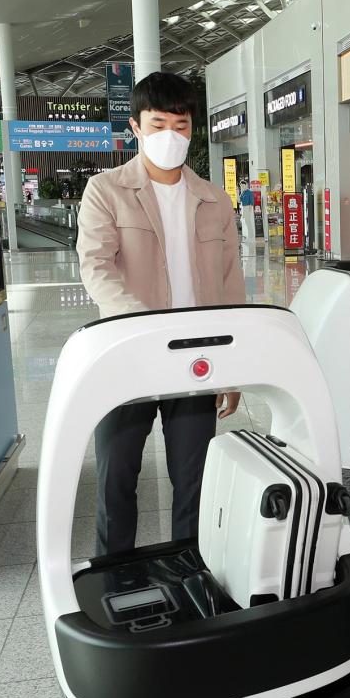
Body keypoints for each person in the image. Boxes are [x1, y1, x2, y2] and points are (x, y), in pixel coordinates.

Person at [76, 71, 246, 556]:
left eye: (181, 125)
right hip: (127, 356)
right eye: (158, 124)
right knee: (116, 478)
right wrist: (143, 328)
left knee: (195, 481)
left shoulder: (214, 200)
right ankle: (115, 573)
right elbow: (96, 267)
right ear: (135, 127)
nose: (171, 136)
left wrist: (232, 363)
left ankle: (190, 570)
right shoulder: (105, 190)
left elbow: (231, 282)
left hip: (195, 360)